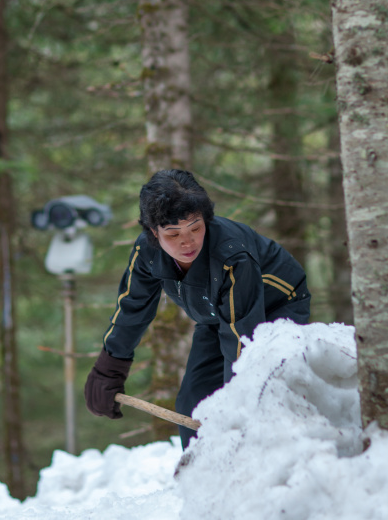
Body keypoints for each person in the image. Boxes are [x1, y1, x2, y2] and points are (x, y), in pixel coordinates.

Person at [84, 169, 311, 448]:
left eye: (195, 227)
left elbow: (242, 337)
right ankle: (202, 479)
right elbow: (133, 307)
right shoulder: (148, 252)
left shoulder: (231, 255)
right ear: (153, 233)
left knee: (260, 392)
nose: (187, 241)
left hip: (275, 306)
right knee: (194, 400)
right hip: (216, 315)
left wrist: (239, 400)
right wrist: (110, 370)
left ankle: (263, 465)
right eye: (173, 233)